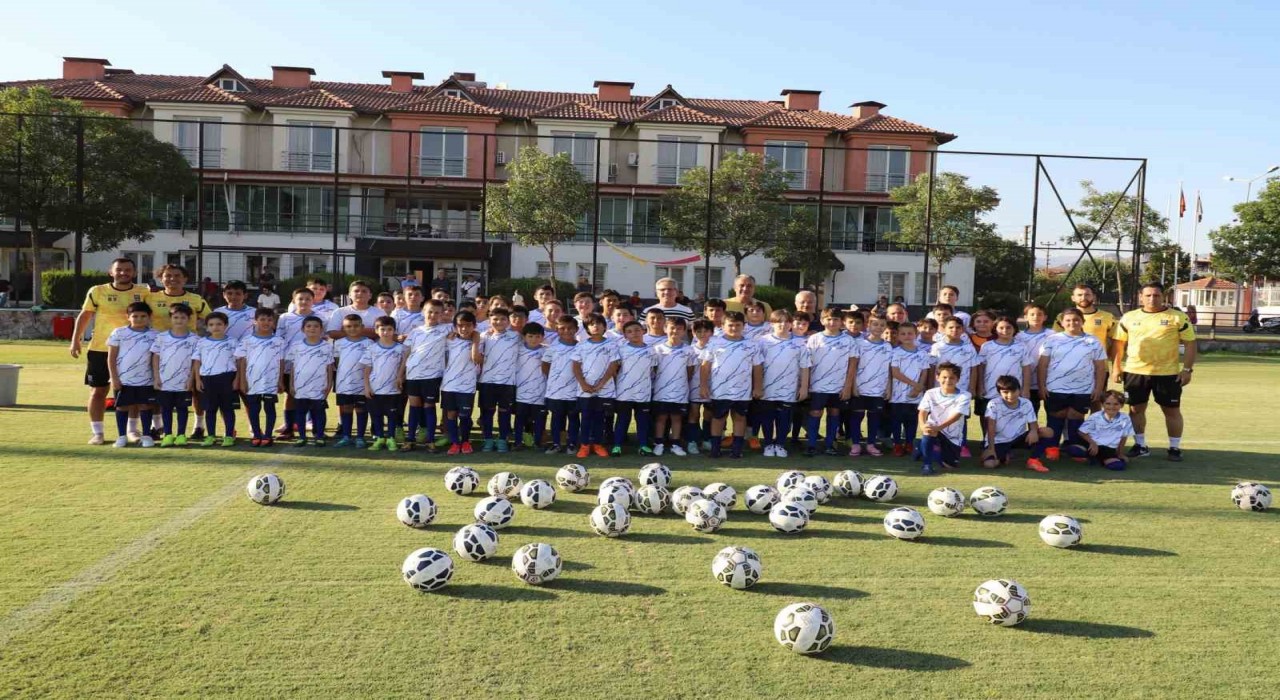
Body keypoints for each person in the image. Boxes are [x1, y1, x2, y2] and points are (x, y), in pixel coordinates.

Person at [1112, 282, 1197, 462]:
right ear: (1140, 297)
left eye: (1156, 295)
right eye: (1148, 295)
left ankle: (1174, 448)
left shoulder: (1177, 317)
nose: (1152, 299)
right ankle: (1140, 445)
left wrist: (1187, 370)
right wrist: (1116, 367)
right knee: (1135, 409)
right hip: (1135, 371)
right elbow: (1119, 343)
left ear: (1163, 296)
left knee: (1171, 410)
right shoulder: (1129, 317)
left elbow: (1190, 343)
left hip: (1167, 373)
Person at [71, 258, 150, 445]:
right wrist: (75, 340)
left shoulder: (144, 292)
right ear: (111, 272)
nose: (123, 273)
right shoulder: (97, 291)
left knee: (133, 391)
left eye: (128, 270)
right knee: (98, 391)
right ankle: (97, 433)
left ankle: (132, 430)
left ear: (135, 273)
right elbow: (85, 315)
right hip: (100, 349)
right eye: (119, 269)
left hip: (132, 351)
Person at [1038, 308, 1108, 461]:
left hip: (1083, 389)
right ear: (1062, 323)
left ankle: (1075, 449)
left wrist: (1098, 388)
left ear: (1082, 322)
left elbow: (1100, 367)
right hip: (1055, 387)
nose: (1072, 323)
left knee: (1076, 417)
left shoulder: (1093, 341)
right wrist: (1042, 386)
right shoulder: (1052, 340)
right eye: (1068, 320)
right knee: (1056, 416)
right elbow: (1042, 365)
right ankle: (1052, 448)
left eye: (1076, 320)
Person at [700, 312, 763, 459]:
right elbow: (705, 366)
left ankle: (737, 449)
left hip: (742, 390)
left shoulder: (751, 345)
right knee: (718, 418)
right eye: (730, 325)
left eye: (737, 325)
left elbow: (757, 367)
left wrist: (758, 387)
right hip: (720, 390)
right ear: (723, 326)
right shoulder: (714, 343)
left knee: (740, 417)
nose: (734, 328)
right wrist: (703, 386)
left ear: (744, 326)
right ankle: (715, 449)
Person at [805, 307, 859, 457]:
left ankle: (830, 444)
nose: (832, 322)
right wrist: (806, 384)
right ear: (822, 321)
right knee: (815, 412)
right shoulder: (814, 338)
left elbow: (852, 364)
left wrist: (847, 386)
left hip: (838, 386)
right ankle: (811, 445)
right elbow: (807, 363)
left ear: (841, 322)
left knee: (834, 412)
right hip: (817, 385)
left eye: (836, 319)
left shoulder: (848, 340)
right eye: (828, 319)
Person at [757, 310, 810, 458]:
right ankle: (768, 444)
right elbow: (757, 366)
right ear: (771, 324)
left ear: (791, 324)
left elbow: (805, 367)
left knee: (785, 419)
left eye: (786, 321)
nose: (783, 324)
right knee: (767, 418)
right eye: (779, 321)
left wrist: (804, 387)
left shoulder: (799, 343)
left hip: (789, 389)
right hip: (767, 388)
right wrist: (758, 386)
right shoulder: (763, 341)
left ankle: (780, 444)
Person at [106, 301, 158, 448]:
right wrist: (114, 378)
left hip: (146, 379)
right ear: (128, 317)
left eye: (143, 316)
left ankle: (146, 436)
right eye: (135, 316)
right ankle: (122, 436)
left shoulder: (155, 335)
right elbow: (111, 358)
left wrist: (156, 378)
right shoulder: (119, 333)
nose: (139, 319)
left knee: (145, 406)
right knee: (122, 407)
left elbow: (156, 358)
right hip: (124, 379)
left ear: (149, 317)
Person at [401, 300, 449, 452]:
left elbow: (469, 332)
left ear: (442, 314)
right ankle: (410, 439)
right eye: (430, 311)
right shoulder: (415, 331)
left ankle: (430, 440)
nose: (433, 315)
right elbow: (407, 353)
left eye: (437, 312)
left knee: (429, 406)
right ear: (423, 312)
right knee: (414, 407)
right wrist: (400, 374)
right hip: (413, 375)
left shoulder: (447, 329)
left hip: (432, 376)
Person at [235, 308, 287, 447]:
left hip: (271, 380)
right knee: (254, 408)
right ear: (255, 321)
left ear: (274, 322)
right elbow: (242, 361)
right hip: (252, 381)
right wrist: (242, 381)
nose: (266, 322)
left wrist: (280, 380)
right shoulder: (247, 340)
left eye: (269, 320)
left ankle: (268, 435)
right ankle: (257, 434)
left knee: (269, 408)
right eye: (262, 319)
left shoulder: (279, 341)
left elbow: (281, 361)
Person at [930, 317, 981, 457]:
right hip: (940, 390)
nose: (955, 330)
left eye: (958, 327)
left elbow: (974, 369)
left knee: (960, 417)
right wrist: (929, 386)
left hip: (961, 390)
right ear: (944, 329)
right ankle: (937, 443)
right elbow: (932, 368)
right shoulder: (937, 347)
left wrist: (972, 387)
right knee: (938, 416)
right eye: (951, 327)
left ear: (962, 329)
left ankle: (962, 444)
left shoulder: (968, 348)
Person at [572, 313, 621, 458]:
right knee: (586, 417)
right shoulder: (581, 345)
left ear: (605, 327)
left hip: (604, 389)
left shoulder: (612, 344)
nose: (596, 326)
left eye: (599, 323)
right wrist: (583, 383)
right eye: (592, 324)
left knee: (600, 417)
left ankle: (598, 444)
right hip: (585, 389)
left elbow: (613, 365)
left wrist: (601, 384)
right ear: (587, 328)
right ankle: (584, 445)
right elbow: (575, 366)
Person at [975, 316, 1030, 444]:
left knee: (1010, 416)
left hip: (1012, 390)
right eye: (1001, 328)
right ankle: (987, 442)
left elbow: (1026, 368)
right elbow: (981, 367)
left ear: (1014, 329)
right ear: (995, 329)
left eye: (1008, 327)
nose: (1005, 330)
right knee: (987, 415)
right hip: (990, 388)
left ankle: (1009, 444)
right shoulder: (987, 346)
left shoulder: (1021, 347)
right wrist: (980, 386)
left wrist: (1026, 389)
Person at [150, 303, 198, 447]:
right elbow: (155, 357)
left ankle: (181, 435)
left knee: (182, 408)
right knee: (166, 409)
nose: (179, 320)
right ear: (171, 318)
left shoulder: (194, 339)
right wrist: (156, 377)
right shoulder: (161, 337)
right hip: (165, 381)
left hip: (184, 381)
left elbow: (196, 361)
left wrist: (191, 379)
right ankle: (168, 435)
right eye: (176, 317)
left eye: (183, 317)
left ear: (189, 319)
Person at [981, 375, 1052, 472]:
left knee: (1047, 432)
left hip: (1018, 438)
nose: (1010, 395)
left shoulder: (1026, 403)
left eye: (1013, 391)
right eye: (1005, 392)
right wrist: (991, 449)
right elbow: (990, 427)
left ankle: (1033, 460)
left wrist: (1033, 431)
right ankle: (1004, 456)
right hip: (999, 441)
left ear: (1019, 390)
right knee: (989, 464)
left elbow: (1033, 423)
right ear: (999, 392)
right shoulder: (993, 404)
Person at [477, 308, 521, 453]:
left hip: (507, 382)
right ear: (489, 321)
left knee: (504, 412)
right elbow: (476, 351)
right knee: (488, 412)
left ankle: (502, 439)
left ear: (508, 321)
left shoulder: (516, 336)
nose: (499, 322)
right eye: (495, 319)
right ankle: (488, 439)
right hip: (487, 381)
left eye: (502, 319)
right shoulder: (484, 336)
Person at [192, 312, 239, 447]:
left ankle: (229, 436)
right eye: (211, 325)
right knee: (210, 409)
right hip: (208, 379)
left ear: (226, 325)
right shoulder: (202, 342)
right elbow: (197, 362)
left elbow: (239, 361)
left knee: (227, 409)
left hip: (227, 378)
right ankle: (210, 436)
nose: (215, 327)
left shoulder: (233, 342)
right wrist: (198, 380)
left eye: (219, 324)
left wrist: (236, 379)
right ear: (207, 327)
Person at [285, 316, 333, 446]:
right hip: (300, 386)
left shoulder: (326, 346)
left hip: (319, 386)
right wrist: (291, 384)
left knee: (319, 412)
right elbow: (293, 367)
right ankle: (302, 436)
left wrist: (329, 384)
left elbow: (329, 367)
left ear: (321, 329)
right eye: (309, 326)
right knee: (300, 412)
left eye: (316, 326)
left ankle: (319, 435)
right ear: (303, 329)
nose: (312, 329)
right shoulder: (296, 346)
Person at [652, 317, 696, 457]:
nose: (675, 331)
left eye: (679, 328)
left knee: (677, 418)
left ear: (684, 331)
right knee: (661, 418)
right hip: (661, 391)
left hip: (680, 391)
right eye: (672, 328)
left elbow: (690, 371)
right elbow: (654, 369)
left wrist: (681, 383)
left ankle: (675, 444)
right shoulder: (658, 349)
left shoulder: (689, 350)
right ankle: (659, 443)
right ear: (665, 329)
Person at [362, 316, 408, 451]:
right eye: (382, 329)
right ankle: (380, 438)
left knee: (393, 415)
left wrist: (401, 378)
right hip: (375, 388)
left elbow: (405, 366)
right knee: (376, 415)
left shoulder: (401, 349)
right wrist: (366, 387)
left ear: (394, 331)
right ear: (376, 330)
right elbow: (367, 369)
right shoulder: (371, 348)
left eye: (389, 329)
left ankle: (391, 438)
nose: (386, 332)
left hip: (393, 389)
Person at [848, 314, 892, 456]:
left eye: (882, 325)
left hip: (878, 389)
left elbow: (889, 369)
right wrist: (853, 386)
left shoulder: (887, 346)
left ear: (885, 327)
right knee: (857, 417)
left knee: (874, 418)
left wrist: (888, 387)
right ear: (868, 325)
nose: (879, 327)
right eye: (875, 324)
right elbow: (853, 366)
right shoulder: (860, 344)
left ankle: (871, 444)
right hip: (861, 388)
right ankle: (855, 444)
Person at [917, 362, 971, 475]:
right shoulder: (930, 393)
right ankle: (927, 465)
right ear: (937, 377)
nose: (948, 380)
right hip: (934, 428)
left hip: (952, 436)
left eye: (952, 378)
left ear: (958, 379)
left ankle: (922, 449)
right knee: (929, 429)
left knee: (950, 466)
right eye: (944, 377)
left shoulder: (965, 395)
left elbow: (957, 416)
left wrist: (939, 428)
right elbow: (923, 411)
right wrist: (922, 425)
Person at [613, 321, 658, 456]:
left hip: (643, 392)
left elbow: (653, 370)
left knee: (642, 420)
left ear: (643, 331)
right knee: (623, 419)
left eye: (637, 330)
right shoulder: (621, 349)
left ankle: (643, 445)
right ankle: (617, 446)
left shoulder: (651, 350)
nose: (634, 333)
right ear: (625, 335)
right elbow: (615, 368)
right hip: (624, 392)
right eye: (630, 331)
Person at [888, 321, 932, 457]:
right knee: (896, 420)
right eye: (903, 334)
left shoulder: (923, 353)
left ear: (916, 334)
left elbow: (924, 372)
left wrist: (919, 387)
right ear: (898, 336)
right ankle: (897, 444)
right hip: (898, 395)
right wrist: (914, 384)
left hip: (915, 395)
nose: (906, 336)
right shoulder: (896, 352)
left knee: (912, 421)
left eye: (910, 333)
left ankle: (909, 443)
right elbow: (895, 373)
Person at [442, 311, 483, 455]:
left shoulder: (480, 340)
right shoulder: (449, 340)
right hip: (449, 384)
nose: (464, 328)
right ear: (455, 326)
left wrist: (475, 342)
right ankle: (454, 443)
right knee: (451, 414)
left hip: (467, 386)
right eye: (460, 325)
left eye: (468, 325)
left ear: (474, 326)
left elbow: (477, 359)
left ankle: (465, 441)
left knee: (465, 415)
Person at [332, 314, 374, 449]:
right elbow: (337, 362)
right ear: (343, 328)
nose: (352, 329)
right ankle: (346, 436)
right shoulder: (339, 343)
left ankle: (360, 437)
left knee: (361, 409)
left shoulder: (369, 343)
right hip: (344, 383)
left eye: (356, 326)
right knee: (346, 408)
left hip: (362, 383)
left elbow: (371, 363)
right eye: (348, 326)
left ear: (362, 327)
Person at [542, 316, 582, 455]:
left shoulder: (581, 347)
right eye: (562, 328)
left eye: (570, 328)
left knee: (573, 417)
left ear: (576, 329)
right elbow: (545, 365)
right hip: (556, 391)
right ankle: (556, 444)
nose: (566, 331)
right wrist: (555, 380)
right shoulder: (553, 347)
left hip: (575, 390)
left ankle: (572, 444)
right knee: (557, 418)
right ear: (557, 329)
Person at [1067, 389, 1135, 470]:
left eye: (1116, 404)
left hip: (1109, 449)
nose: (1111, 407)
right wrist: (1092, 443)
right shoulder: (1095, 416)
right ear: (1102, 404)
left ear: (1121, 405)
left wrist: (1120, 453)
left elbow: (1124, 436)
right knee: (1074, 450)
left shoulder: (1125, 418)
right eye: (1108, 404)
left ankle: (1099, 460)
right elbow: (1081, 432)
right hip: (1092, 446)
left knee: (1118, 466)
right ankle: (1090, 457)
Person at [1053, 283, 1117, 359]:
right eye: (1079, 295)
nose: (1083, 298)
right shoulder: (1062, 317)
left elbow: (1116, 343)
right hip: (1070, 363)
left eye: (1087, 295)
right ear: (1073, 298)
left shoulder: (1108, 317)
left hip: (1097, 364)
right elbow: (1056, 341)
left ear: (1094, 297)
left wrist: (1115, 362)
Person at [512, 322, 548, 451]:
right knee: (520, 419)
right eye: (530, 336)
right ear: (524, 337)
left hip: (540, 392)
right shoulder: (517, 349)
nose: (534, 339)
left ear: (542, 337)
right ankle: (517, 442)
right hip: (521, 392)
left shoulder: (547, 351)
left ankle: (537, 442)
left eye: (538, 336)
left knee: (539, 420)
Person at [685, 318, 718, 455]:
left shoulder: (717, 348)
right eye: (699, 331)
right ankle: (692, 441)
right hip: (694, 386)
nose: (703, 334)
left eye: (706, 331)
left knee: (709, 414)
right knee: (694, 413)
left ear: (712, 332)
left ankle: (706, 439)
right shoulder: (690, 350)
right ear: (693, 333)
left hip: (712, 386)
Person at [1018, 303, 1051, 415]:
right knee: (1030, 414)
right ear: (1025, 317)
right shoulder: (1019, 336)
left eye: (1039, 314)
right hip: (1027, 382)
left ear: (1045, 317)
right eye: (1032, 314)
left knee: (1052, 413)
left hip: (1048, 382)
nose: (1036, 317)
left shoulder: (1052, 335)